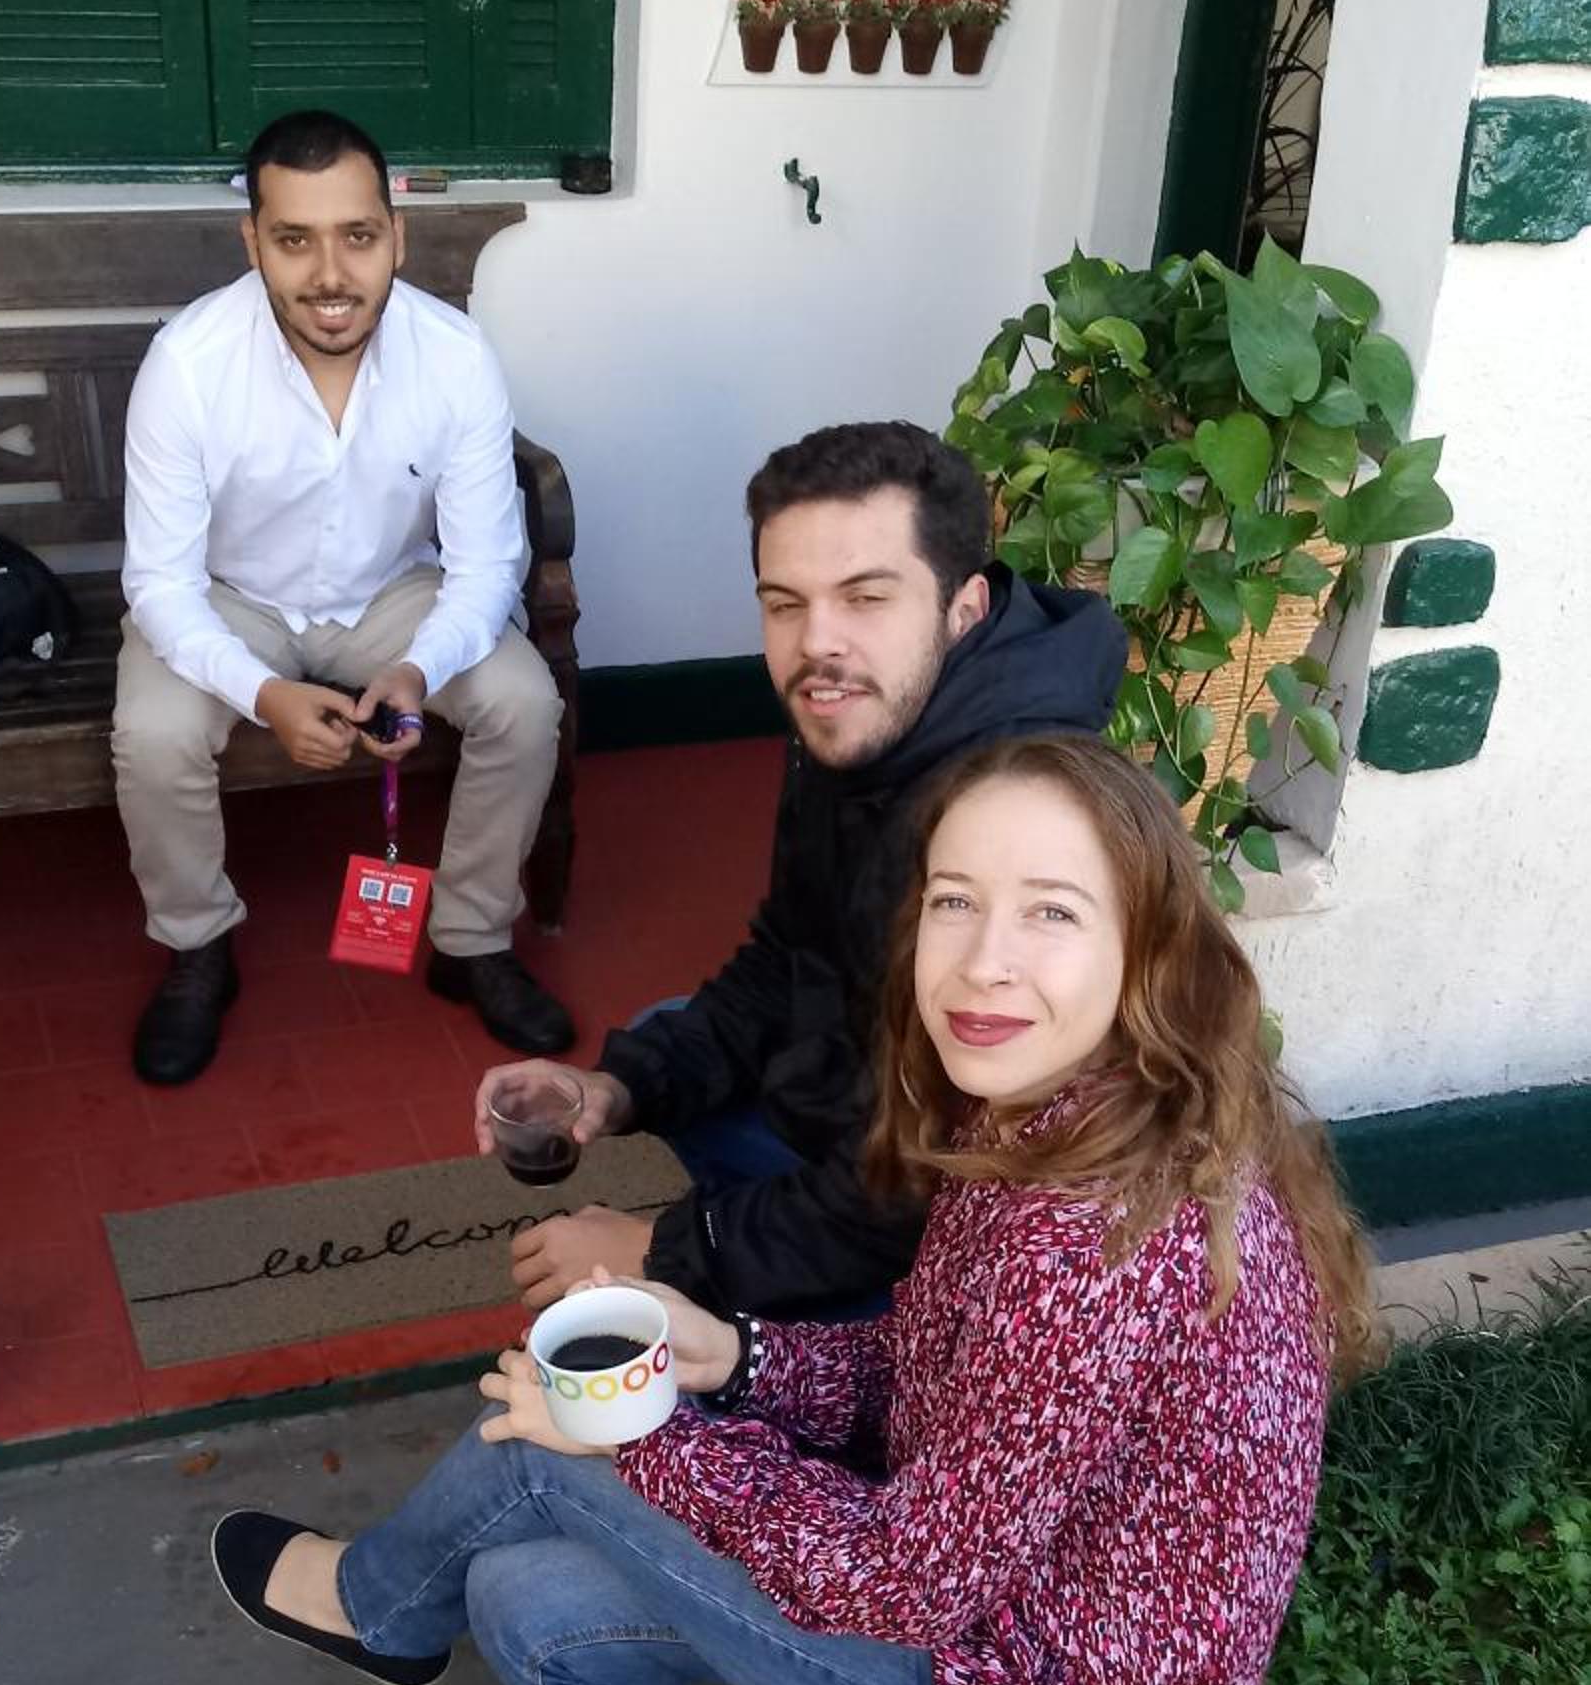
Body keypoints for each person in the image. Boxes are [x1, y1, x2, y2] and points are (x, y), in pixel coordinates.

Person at [211, 734, 1376, 1685]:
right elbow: (932, 1369)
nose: (983, 959)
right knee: (524, 1603)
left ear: (1147, 950)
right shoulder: (1077, 1111)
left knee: (557, 1455)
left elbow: (905, 1582)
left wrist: (648, 1434)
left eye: (1052, 911)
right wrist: (734, 1357)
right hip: (1019, 1625)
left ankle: (381, 1609)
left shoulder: (1088, 1239)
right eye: (954, 901)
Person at [473, 419, 1127, 1318]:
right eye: (785, 604)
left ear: (965, 608)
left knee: (629, 1372)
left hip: (950, 1244)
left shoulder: (1012, 821)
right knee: (658, 1043)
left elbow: (925, 1185)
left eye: (866, 598)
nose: (818, 644)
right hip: (855, 1105)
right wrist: (612, 1088)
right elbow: (788, 951)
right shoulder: (865, 712)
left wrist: (662, 1250)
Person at [114, 106, 571, 1086]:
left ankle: (471, 940)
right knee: (154, 732)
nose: (330, 274)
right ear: (253, 242)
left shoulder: (454, 356)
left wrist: (419, 668)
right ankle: (197, 945)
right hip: (232, 599)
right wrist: (263, 694)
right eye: (295, 240)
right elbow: (159, 583)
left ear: (396, 236)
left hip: (390, 597)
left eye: (357, 236)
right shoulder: (189, 363)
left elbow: (487, 565)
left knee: (523, 700)